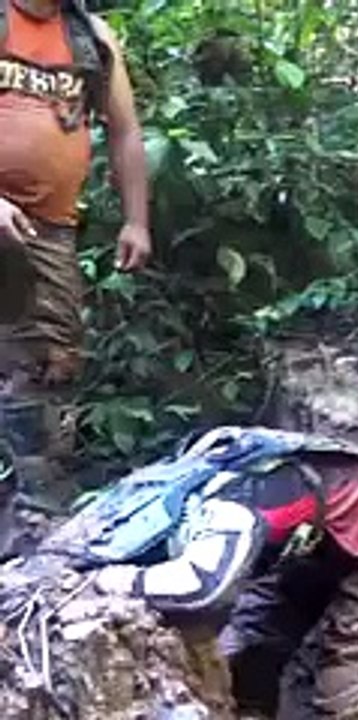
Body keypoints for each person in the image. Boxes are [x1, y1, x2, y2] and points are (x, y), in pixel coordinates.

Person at [51, 426, 358, 719]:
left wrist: (117, 581)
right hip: (301, 539)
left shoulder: (229, 510)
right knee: (247, 646)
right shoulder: (163, 492)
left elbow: (200, 587)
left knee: (349, 669)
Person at [0, 0, 151, 501]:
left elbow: (125, 131)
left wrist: (136, 221)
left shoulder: (92, 38)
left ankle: (38, 498)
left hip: (49, 226)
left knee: (52, 357)